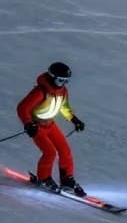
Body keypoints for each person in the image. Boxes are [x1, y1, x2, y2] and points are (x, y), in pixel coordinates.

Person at [16, 61, 87, 195]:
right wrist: (28, 124)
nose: (63, 84)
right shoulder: (40, 91)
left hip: (50, 125)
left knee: (65, 150)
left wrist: (75, 120)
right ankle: (44, 178)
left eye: (66, 81)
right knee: (50, 152)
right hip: (37, 127)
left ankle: (67, 179)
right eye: (60, 80)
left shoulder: (63, 91)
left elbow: (64, 108)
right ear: (51, 77)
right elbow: (22, 108)